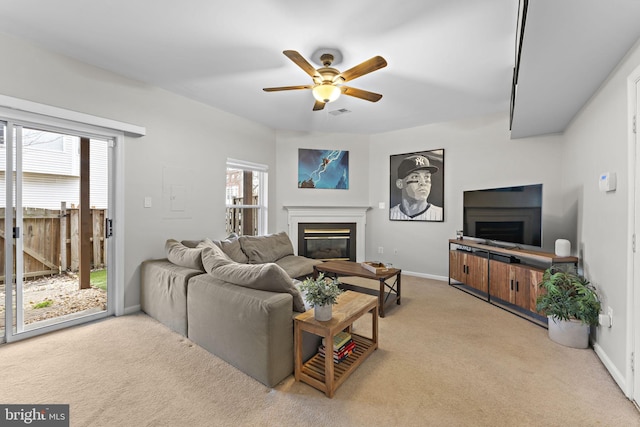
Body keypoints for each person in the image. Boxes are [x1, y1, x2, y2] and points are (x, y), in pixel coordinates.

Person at [390, 154, 443, 221]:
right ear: (400, 184)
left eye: (426, 177)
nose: (423, 183)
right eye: (415, 176)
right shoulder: (391, 213)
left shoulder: (440, 214)